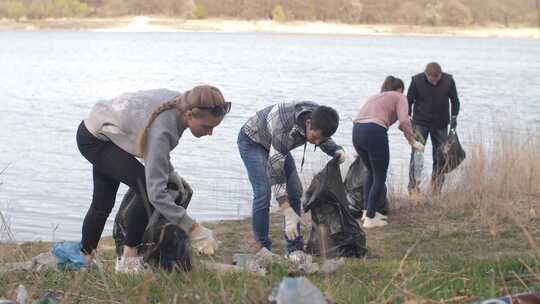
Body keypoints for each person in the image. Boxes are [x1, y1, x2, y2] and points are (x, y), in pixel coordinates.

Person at [76, 85, 230, 273]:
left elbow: (156, 151)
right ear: (190, 115)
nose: (210, 132)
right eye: (207, 126)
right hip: (94, 138)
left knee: (107, 201)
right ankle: (127, 260)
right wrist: (194, 229)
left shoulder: (182, 104)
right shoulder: (164, 128)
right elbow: (156, 189)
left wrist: (170, 172)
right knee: (144, 189)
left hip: (108, 133)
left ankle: (85, 260)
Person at [237, 101, 346, 254]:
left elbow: (322, 137)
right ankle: (262, 248)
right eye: (314, 137)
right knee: (263, 193)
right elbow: (276, 171)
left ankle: (294, 248)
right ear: (308, 124)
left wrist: (336, 150)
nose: (316, 142)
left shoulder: (319, 117)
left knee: (295, 190)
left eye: (320, 140)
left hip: (277, 144)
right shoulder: (284, 128)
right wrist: (286, 211)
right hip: (252, 141)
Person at [353, 76, 424, 228]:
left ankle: (367, 212)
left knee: (370, 172)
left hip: (357, 130)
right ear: (400, 89)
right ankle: (371, 218)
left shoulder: (375, 97)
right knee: (379, 175)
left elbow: (400, 122)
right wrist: (412, 141)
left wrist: (406, 130)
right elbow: (404, 121)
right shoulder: (400, 97)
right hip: (374, 130)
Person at [407, 62, 461, 195]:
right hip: (420, 124)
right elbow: (408, 100)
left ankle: (436, 190)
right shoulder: (416, 80)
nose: (436, 83)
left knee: (441, 157)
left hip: (441, 124)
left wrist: (454, 118)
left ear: (441, 75)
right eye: (433, 80)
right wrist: (408, 120)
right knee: (416, 155)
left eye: (438, 80)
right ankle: (413, 189)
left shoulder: (448, 80)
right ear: (426, 75)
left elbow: (455, 101)